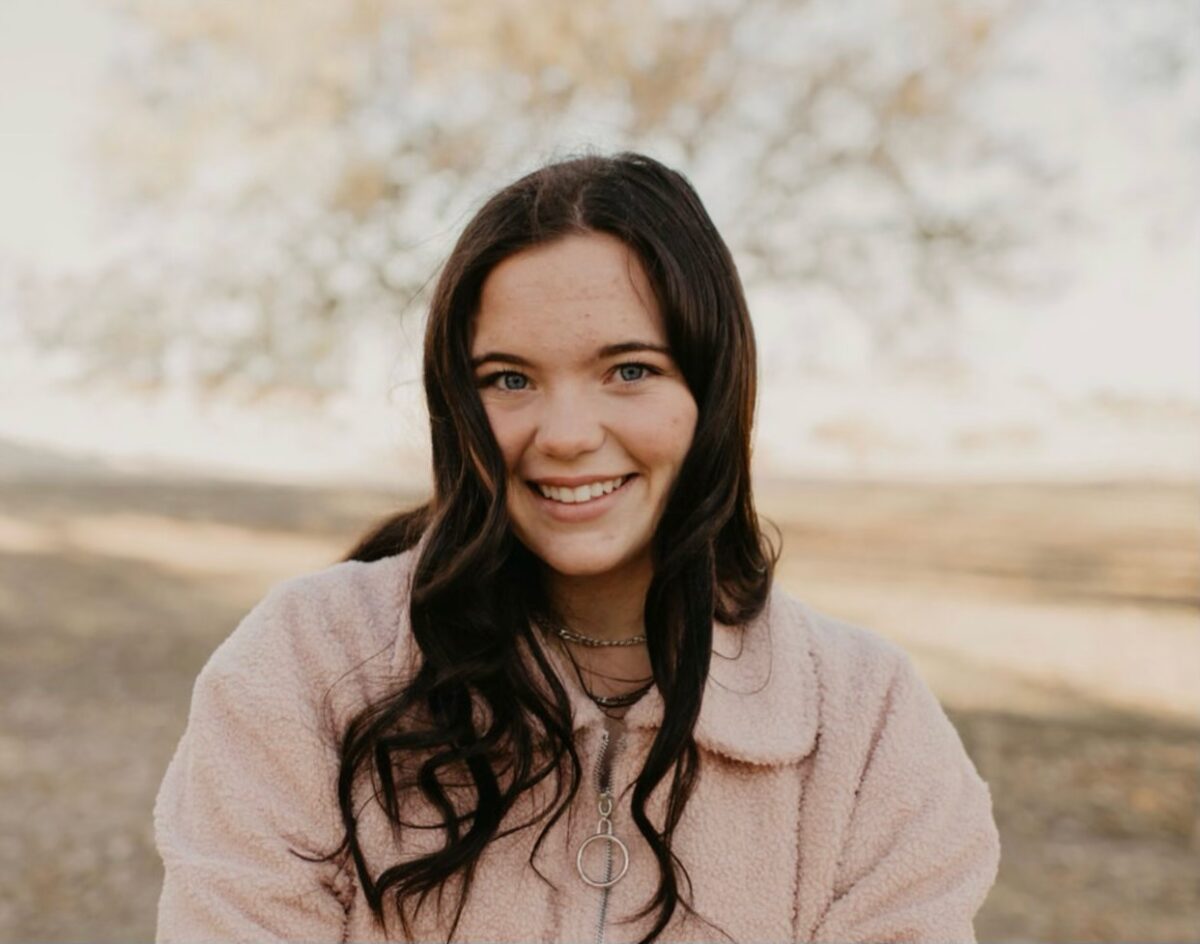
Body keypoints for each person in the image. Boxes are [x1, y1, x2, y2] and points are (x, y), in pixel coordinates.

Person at [153, 152, 1000, 943]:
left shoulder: (866, 719)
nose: (563, 436)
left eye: (628, 370)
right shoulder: (307, 662)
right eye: (509, 379)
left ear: (712, 388)